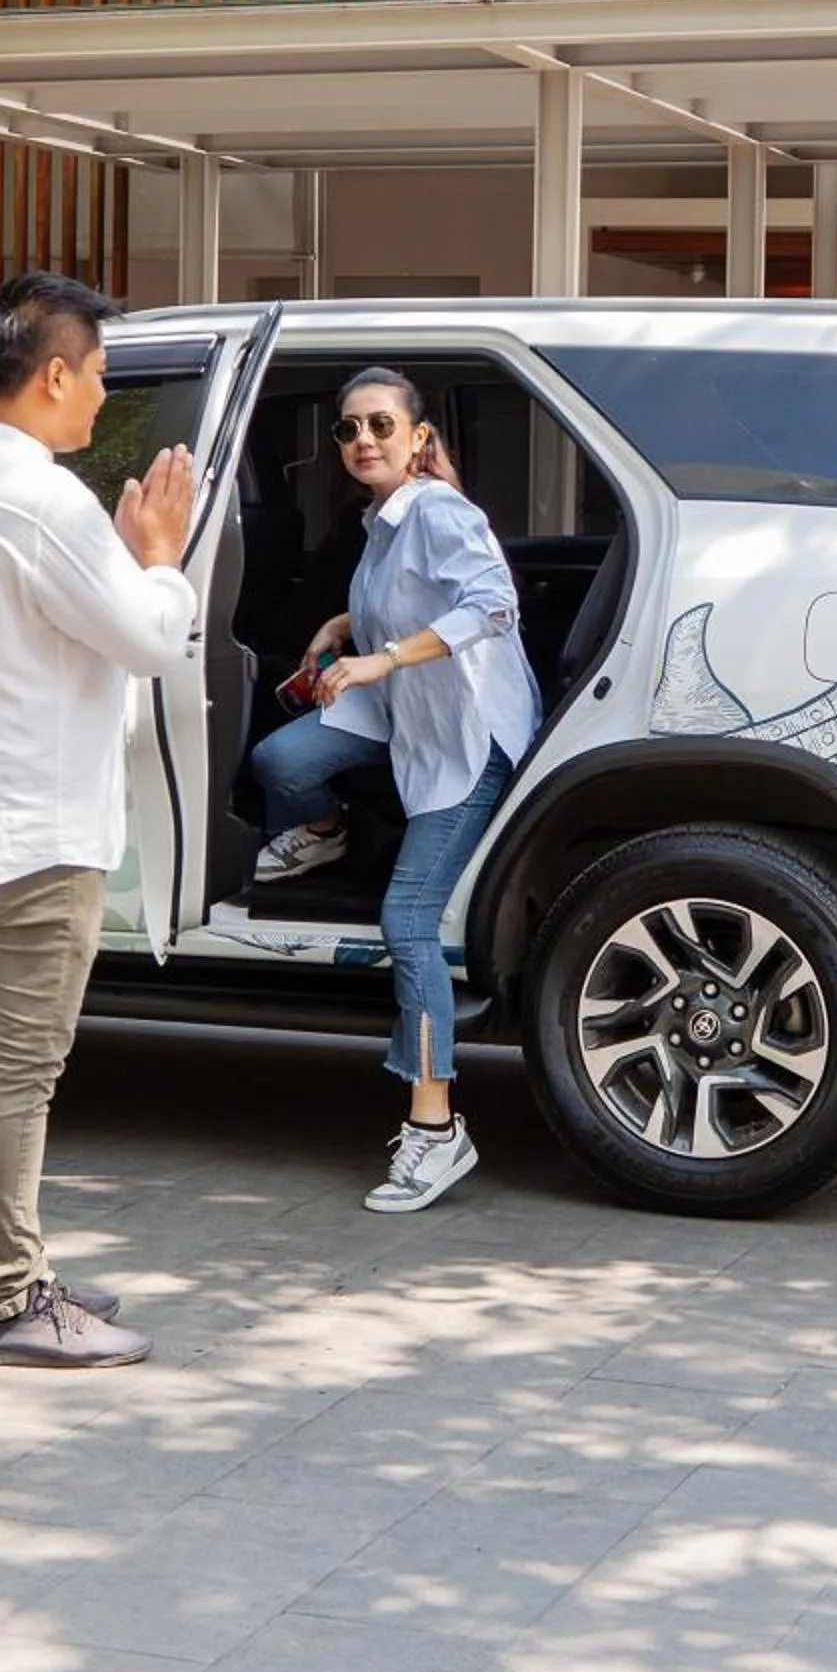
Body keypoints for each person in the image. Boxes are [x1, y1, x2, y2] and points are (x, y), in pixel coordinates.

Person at [0, 271, 198, 1369]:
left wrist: (121, 562)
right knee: (15, 1072)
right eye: (100, 376)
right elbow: (150, 638)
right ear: (55, 372)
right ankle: (4, 1300)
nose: (103, 399)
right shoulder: (39, 495)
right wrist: (160, 557)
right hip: (33, 823)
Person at [250, 368, 541, 1213]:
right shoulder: (384, 519)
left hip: (464, 737)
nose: (363, 440)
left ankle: (435, 1128)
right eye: (348, 430)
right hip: (404, 710)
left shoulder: (442, 511)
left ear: (419, 438)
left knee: (405, 921)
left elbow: (493, 606)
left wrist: (378, 659)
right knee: (282, 763)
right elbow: (401, 600)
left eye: (381, 425)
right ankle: (331, 830)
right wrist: (346, 629)